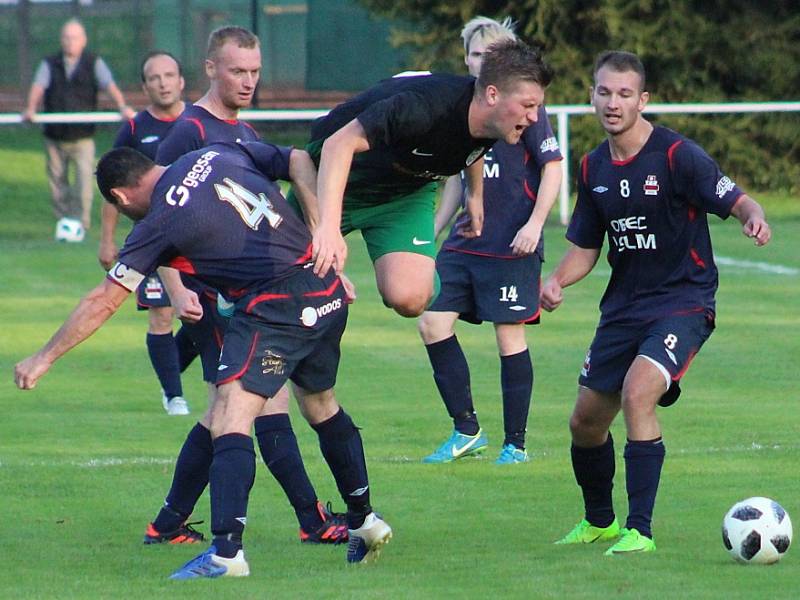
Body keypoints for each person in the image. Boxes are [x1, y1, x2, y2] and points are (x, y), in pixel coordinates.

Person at [14, 141, 392, 579]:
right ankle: (363, 519)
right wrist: (322, 229)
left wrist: (44, 357)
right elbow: (297, 159)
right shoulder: (213, 153)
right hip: (323, 287)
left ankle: (226, 554)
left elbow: (103, 300)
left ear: (120, 197)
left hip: (275, 303)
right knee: (320, 404)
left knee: (229, 412)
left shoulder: (159, 219)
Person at [541, 51, 771, 555]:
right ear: (592, 95)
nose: (613, 102)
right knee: (584, 422)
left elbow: (736, 198)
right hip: (623, 309)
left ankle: (639, 531)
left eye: (625, 94)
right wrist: (556, 280)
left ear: (643, 100)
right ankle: (599, 522)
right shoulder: (593, 165)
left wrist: (753, 216)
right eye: (604, 92)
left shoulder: (676, 155)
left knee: (638, 392)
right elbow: (585, 246)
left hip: (683, 301)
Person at [141, 27, 348, 547]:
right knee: (261, 403)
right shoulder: (188, 132)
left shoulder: (247, 133)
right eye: (238, 71)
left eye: (255, 71)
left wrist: (323, 243)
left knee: (229, 411)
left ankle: (167, 522)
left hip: (253, 295)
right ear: (211, 69)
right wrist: (173, 286)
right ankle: (312, 520)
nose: (249, 81)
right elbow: (153, 219)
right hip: (211, 297)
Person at [304, 39, 552, 320]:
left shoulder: (496, 122)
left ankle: (412, 271)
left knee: (410, 298)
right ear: (493, 95)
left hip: (404, 193)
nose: (534, 117)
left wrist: (474, 195)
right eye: (528, 105)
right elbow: (337, 146)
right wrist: (327, 226)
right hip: (334, 179)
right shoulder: (425, 108)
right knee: (279, 272)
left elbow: (474, 147)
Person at [418, 17, 561, 465]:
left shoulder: (527, 110)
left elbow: (553, 167)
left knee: (509, 338)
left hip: (510, 243)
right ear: (467, 59)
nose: (485, 62)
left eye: (494, 54)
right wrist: (432, 233)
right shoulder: (465, 111)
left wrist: (536, 224)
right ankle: (466, 430)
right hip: (466, 242)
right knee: (432, 322)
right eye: (479, 55)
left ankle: (515, 444)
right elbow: (460, 178)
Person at [99, 50, 192, 416]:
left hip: (200, 237)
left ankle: (172, 368)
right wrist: (107, 240)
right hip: (154, 241)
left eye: (169, 75)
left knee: (211, 311)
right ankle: (173, 395)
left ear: (182, 81)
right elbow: (112, 187)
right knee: (162, 315)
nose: (163, 83)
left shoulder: (198, 123)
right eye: (154, 78)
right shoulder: (135, 129)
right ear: (144, 86)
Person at [22, 18, 136, 241]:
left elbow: (108, 85)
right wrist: (30, 109)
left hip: (83, 137)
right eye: (66, 37)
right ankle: (63, 224)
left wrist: (122, 106)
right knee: (57, 184)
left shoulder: (94, 62)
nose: (69, 42)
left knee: (84, 184)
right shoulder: (50, 63)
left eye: (74, 37)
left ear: (83, 41)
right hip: (54, 137)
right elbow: (38, 87)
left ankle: (80, 226)